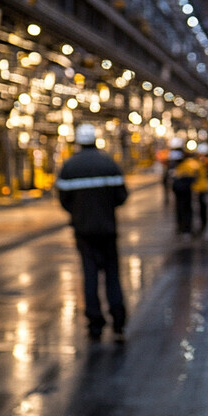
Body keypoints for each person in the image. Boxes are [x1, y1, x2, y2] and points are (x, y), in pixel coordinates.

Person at [56, 123, 128, 343]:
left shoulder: (69, 167)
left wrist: (79, 213)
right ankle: (118, 322)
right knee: (112, 276)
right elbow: (121, 197)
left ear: (77, 141)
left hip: (83, 231)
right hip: (107, 229)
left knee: (89, 276)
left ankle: (95, 324)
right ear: (95, 140)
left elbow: (64, 200)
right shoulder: (108, 163)